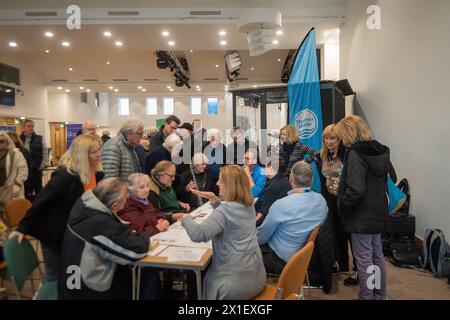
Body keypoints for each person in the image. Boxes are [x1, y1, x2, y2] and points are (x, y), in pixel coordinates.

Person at [9, 134, 104, 282]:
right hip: (55, 235)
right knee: (56, 276)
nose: (99, 154)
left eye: (99, 150)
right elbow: (40, 203)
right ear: (82, 155)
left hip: (75, 234)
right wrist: (22, 228)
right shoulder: (64, 177)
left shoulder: (95, 173)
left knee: (74, 274)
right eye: (94, 152)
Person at [178, 165, 266, 300]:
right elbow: (233, 221)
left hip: (233, 285)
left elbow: (198, 234)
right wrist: (214, 200)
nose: (217, 183)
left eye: (220, 180)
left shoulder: (224, 211)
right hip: (256, 276)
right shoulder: (248, 206)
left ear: (229, 185)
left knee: (196, 274)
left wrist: (186, 217)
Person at [58, 178, 149, 300]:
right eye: (125, 197)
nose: (127, 198)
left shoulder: (84, 207)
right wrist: (143, 234)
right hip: (88, 290)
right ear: (115, 205)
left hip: (71, 284)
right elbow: (136, 251)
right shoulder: (100, 223)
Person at [335, 115, 391, 300]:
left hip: (360, 214)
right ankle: (379, 296)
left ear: (350, 133)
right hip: (377, 211)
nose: (341, 140)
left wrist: (342, 205)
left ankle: (367, 297)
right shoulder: (381, 150)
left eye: (342, 136)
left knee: (364, 259)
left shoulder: (356, 154)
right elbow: (393, 178)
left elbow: (356, 190)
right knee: (377, 256)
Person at [257, 161, 328, 275]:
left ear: (291, 179)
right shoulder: (322, 201)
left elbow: (261, 238)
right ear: (312, 180)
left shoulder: (281, 205)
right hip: (303, 258)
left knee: (242, 251)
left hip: (279, 260)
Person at [316, 124, 357, 286]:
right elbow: (324, 180)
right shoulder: (324, 155)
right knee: (337, 234)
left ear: (339, 139)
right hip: (330, 200)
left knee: (351, 236)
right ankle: (343, 265)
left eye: (333, 138)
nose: (329, 141)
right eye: (326, 138)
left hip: (346, 201)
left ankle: (358, 270)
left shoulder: (346, 155)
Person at [119, 173, 169, 300]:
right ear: (131, 189)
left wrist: (162, 220)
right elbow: (140, 232)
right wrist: (157, 227)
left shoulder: (144, 201)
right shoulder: (128, 206)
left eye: (147, 186)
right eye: (141, 187)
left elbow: (158, 213)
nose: (146, 189)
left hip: (152, 245)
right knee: (151, 274)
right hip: (137, 255)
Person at [254, 157, 291, 226]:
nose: (264, 169)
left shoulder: (273, 187)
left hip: (270, 224)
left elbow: (262, 214)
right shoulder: (284, 179)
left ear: (271, 168)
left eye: (265, 167)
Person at [0, 132, 28, 219]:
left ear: (7, 141)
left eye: (1, 141)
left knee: (13, 216)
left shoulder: (16, 154)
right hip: (1, 190)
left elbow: (23, 171)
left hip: (12, 190)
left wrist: (17, 185)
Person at [20, 119, 47, 199]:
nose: (31, 128)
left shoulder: (40, 138)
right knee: (27, 188)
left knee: (38, 188)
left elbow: (45, 152)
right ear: (23, 127)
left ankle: (40, 206)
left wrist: (42, 165)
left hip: (36, 168)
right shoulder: (19, 139)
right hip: (24, 169)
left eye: (32, 126)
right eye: (29, 126)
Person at [6, 131, 31, 198]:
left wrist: (16, 186)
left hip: (17, 188)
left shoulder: (20, 153)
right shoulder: (5, 153)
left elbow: (23, 172)